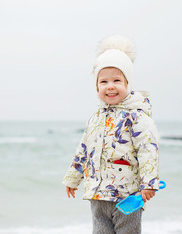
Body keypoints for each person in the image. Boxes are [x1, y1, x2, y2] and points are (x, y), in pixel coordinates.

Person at [62, 35, 160, 234]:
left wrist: (149, 183)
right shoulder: (95, 119)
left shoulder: (137, 117)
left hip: (127, 195)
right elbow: (83, 150)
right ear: (97, 87)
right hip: (98, 194)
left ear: (128, 84)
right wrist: (73, 178)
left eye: (117, 80)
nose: (110, 86)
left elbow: (148, 149)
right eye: (104, 81)